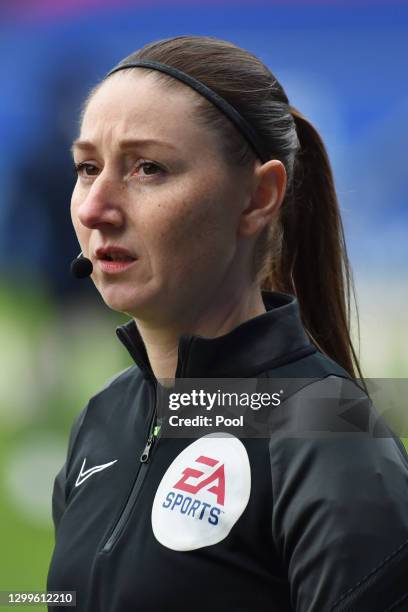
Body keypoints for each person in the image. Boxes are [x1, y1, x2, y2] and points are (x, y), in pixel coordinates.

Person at [47, 35, 408, 611]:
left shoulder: (333, 436)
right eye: (87, 167)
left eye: (148, 168)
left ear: (257, 197)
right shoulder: (104, 417)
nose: (95, 207)